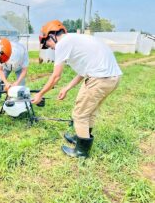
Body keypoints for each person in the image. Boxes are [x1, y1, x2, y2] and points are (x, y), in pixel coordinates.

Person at [32, 20, 122, 158]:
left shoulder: (62, 44)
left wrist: (40, 94)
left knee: (80, 114)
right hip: (112, 78)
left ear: (52, 35)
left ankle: (81, 152)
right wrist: (67, 88)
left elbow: (56, 76)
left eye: (46, 43)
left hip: (99, 78)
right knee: (89, 111)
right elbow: (83, 71)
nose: (49, 48)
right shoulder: (76, 39)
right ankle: (80, 137)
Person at [0, 40, 29, 105]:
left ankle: (21, 102)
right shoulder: (2, 52)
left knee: (21, 85)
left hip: (19, 68)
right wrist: (6, 83)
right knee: (0, 82)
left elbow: (24, 70)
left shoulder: (23, 52)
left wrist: (17, 83)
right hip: (6, 67)